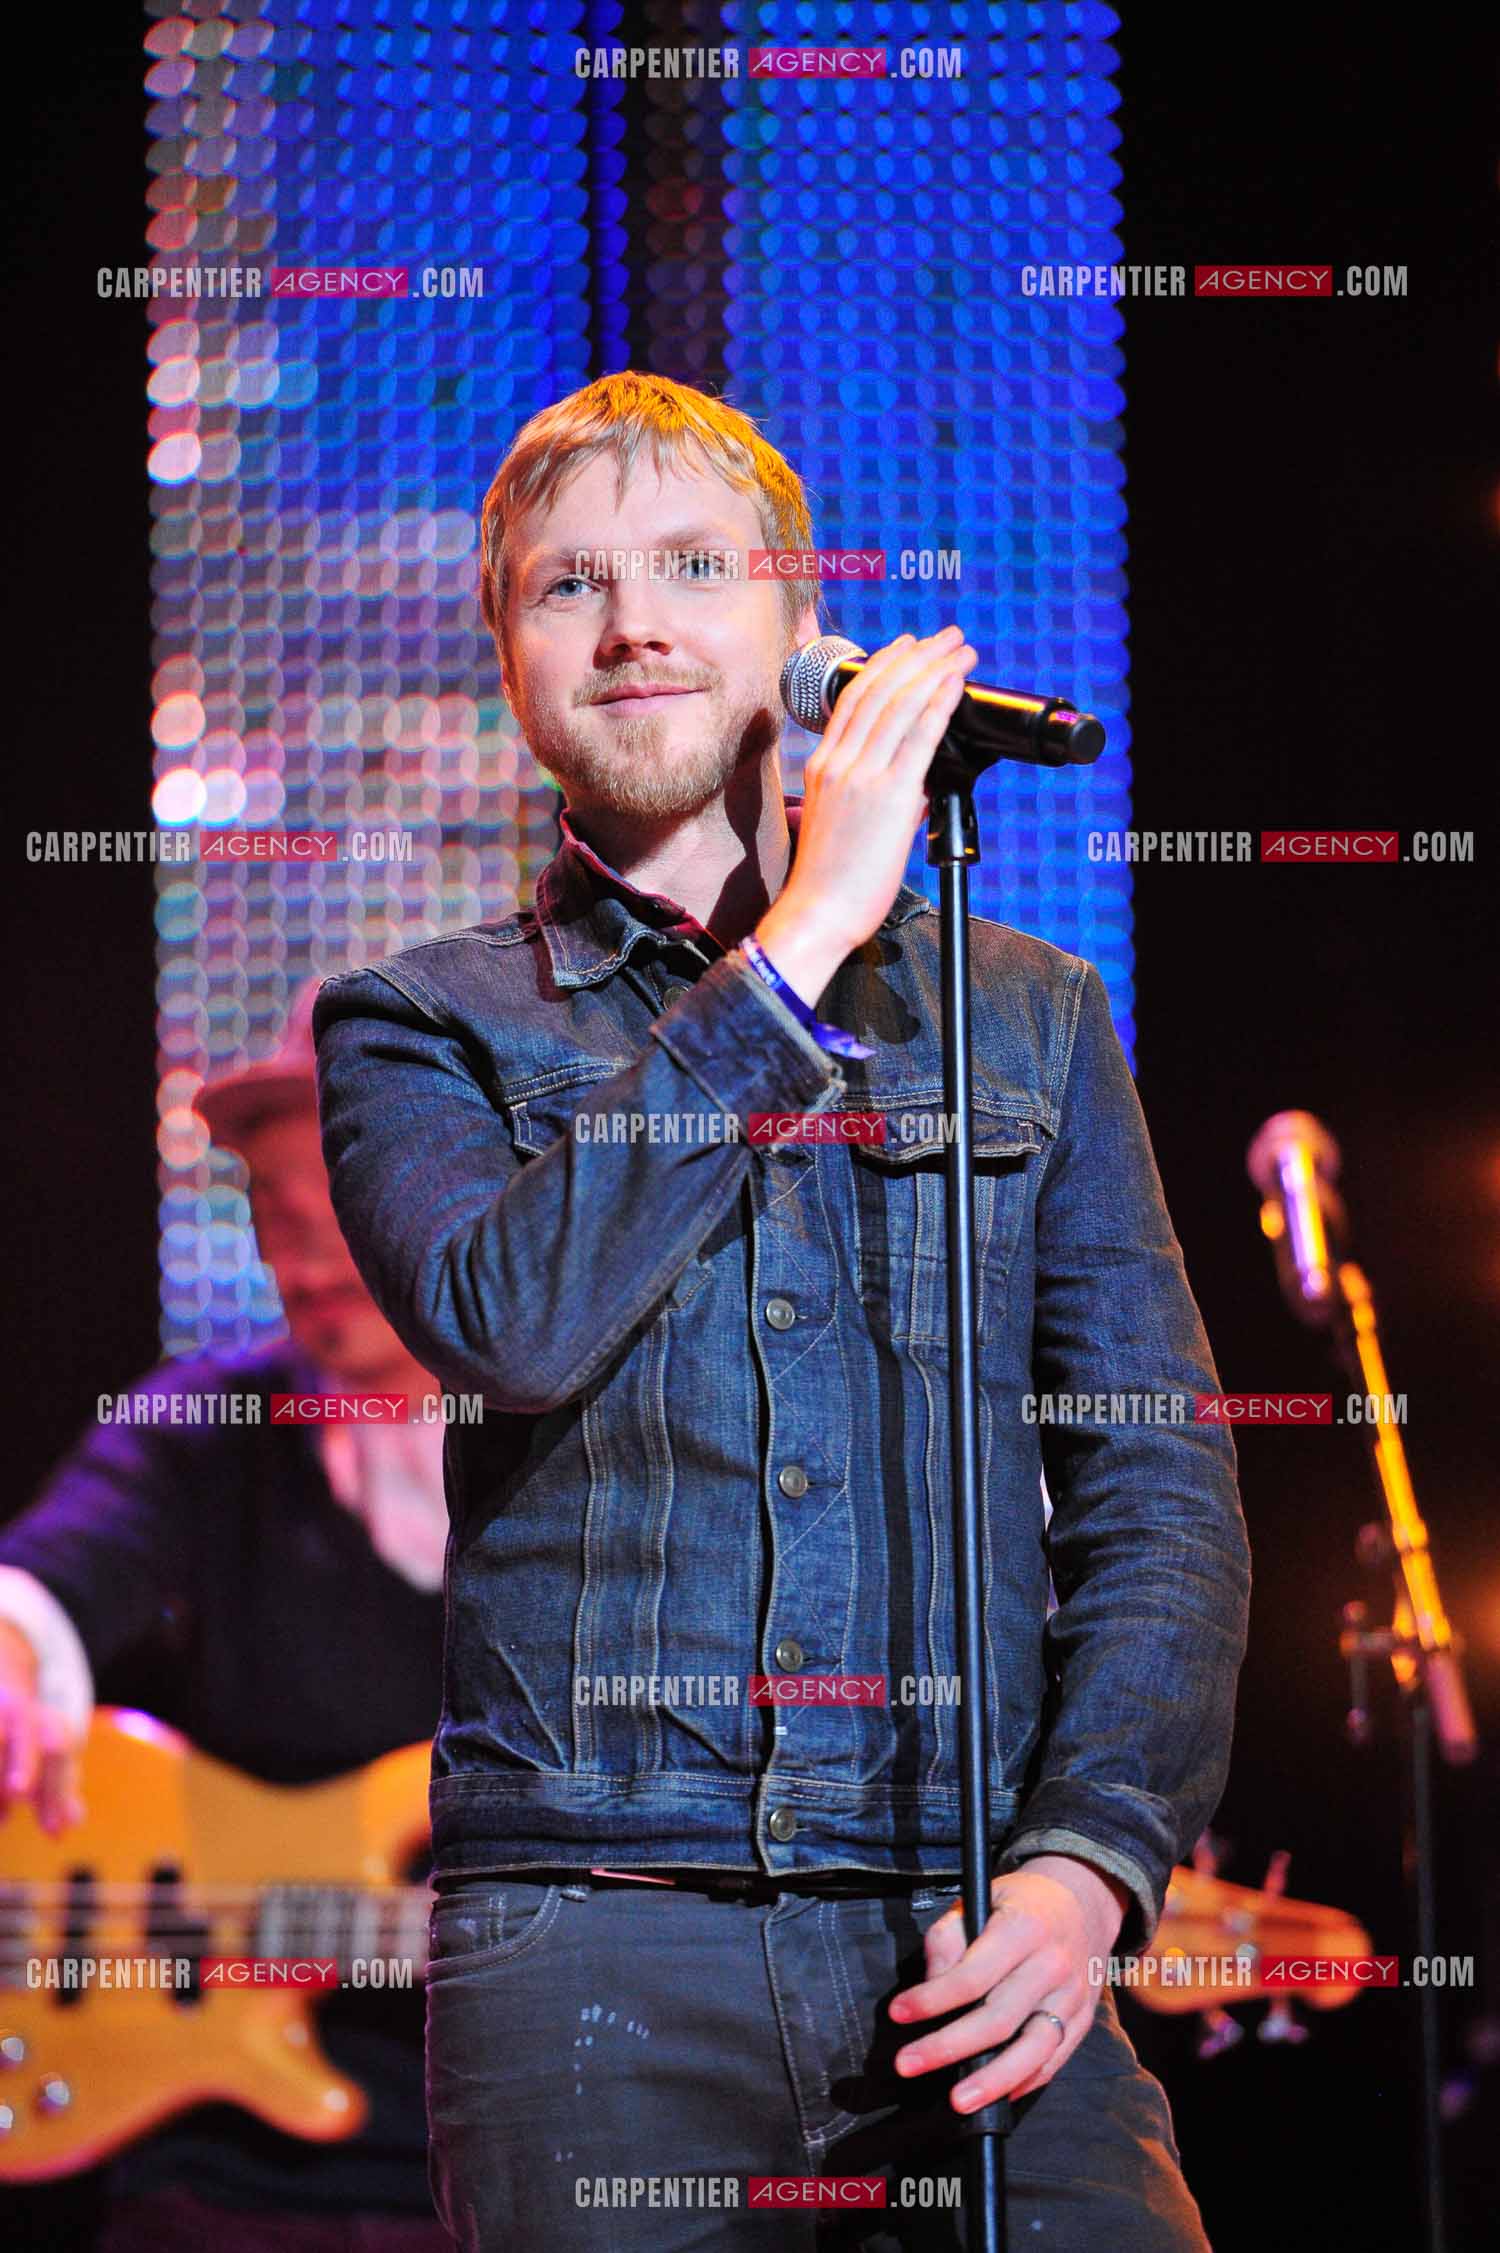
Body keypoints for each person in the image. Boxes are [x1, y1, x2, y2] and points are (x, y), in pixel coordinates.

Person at [314, 369, 1253, 2251]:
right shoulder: (419, 1024)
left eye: (690, 566)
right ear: (508, 649)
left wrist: (1088, 1867)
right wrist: (800, 938)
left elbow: (1162, 1496)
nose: (638, 618)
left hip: (968, 1908)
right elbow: (508, 1314)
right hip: (600, 1927)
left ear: (797, 627)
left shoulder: (1031, 1015)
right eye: (570, 583)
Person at [0, 983, 451, 2252]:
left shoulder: (591, 1443)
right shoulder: (208, 1422)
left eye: (334, 1216)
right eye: (272, 1213)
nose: (299, 1262)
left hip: (514, 2160)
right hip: (228, 2185)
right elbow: (53, 1571)